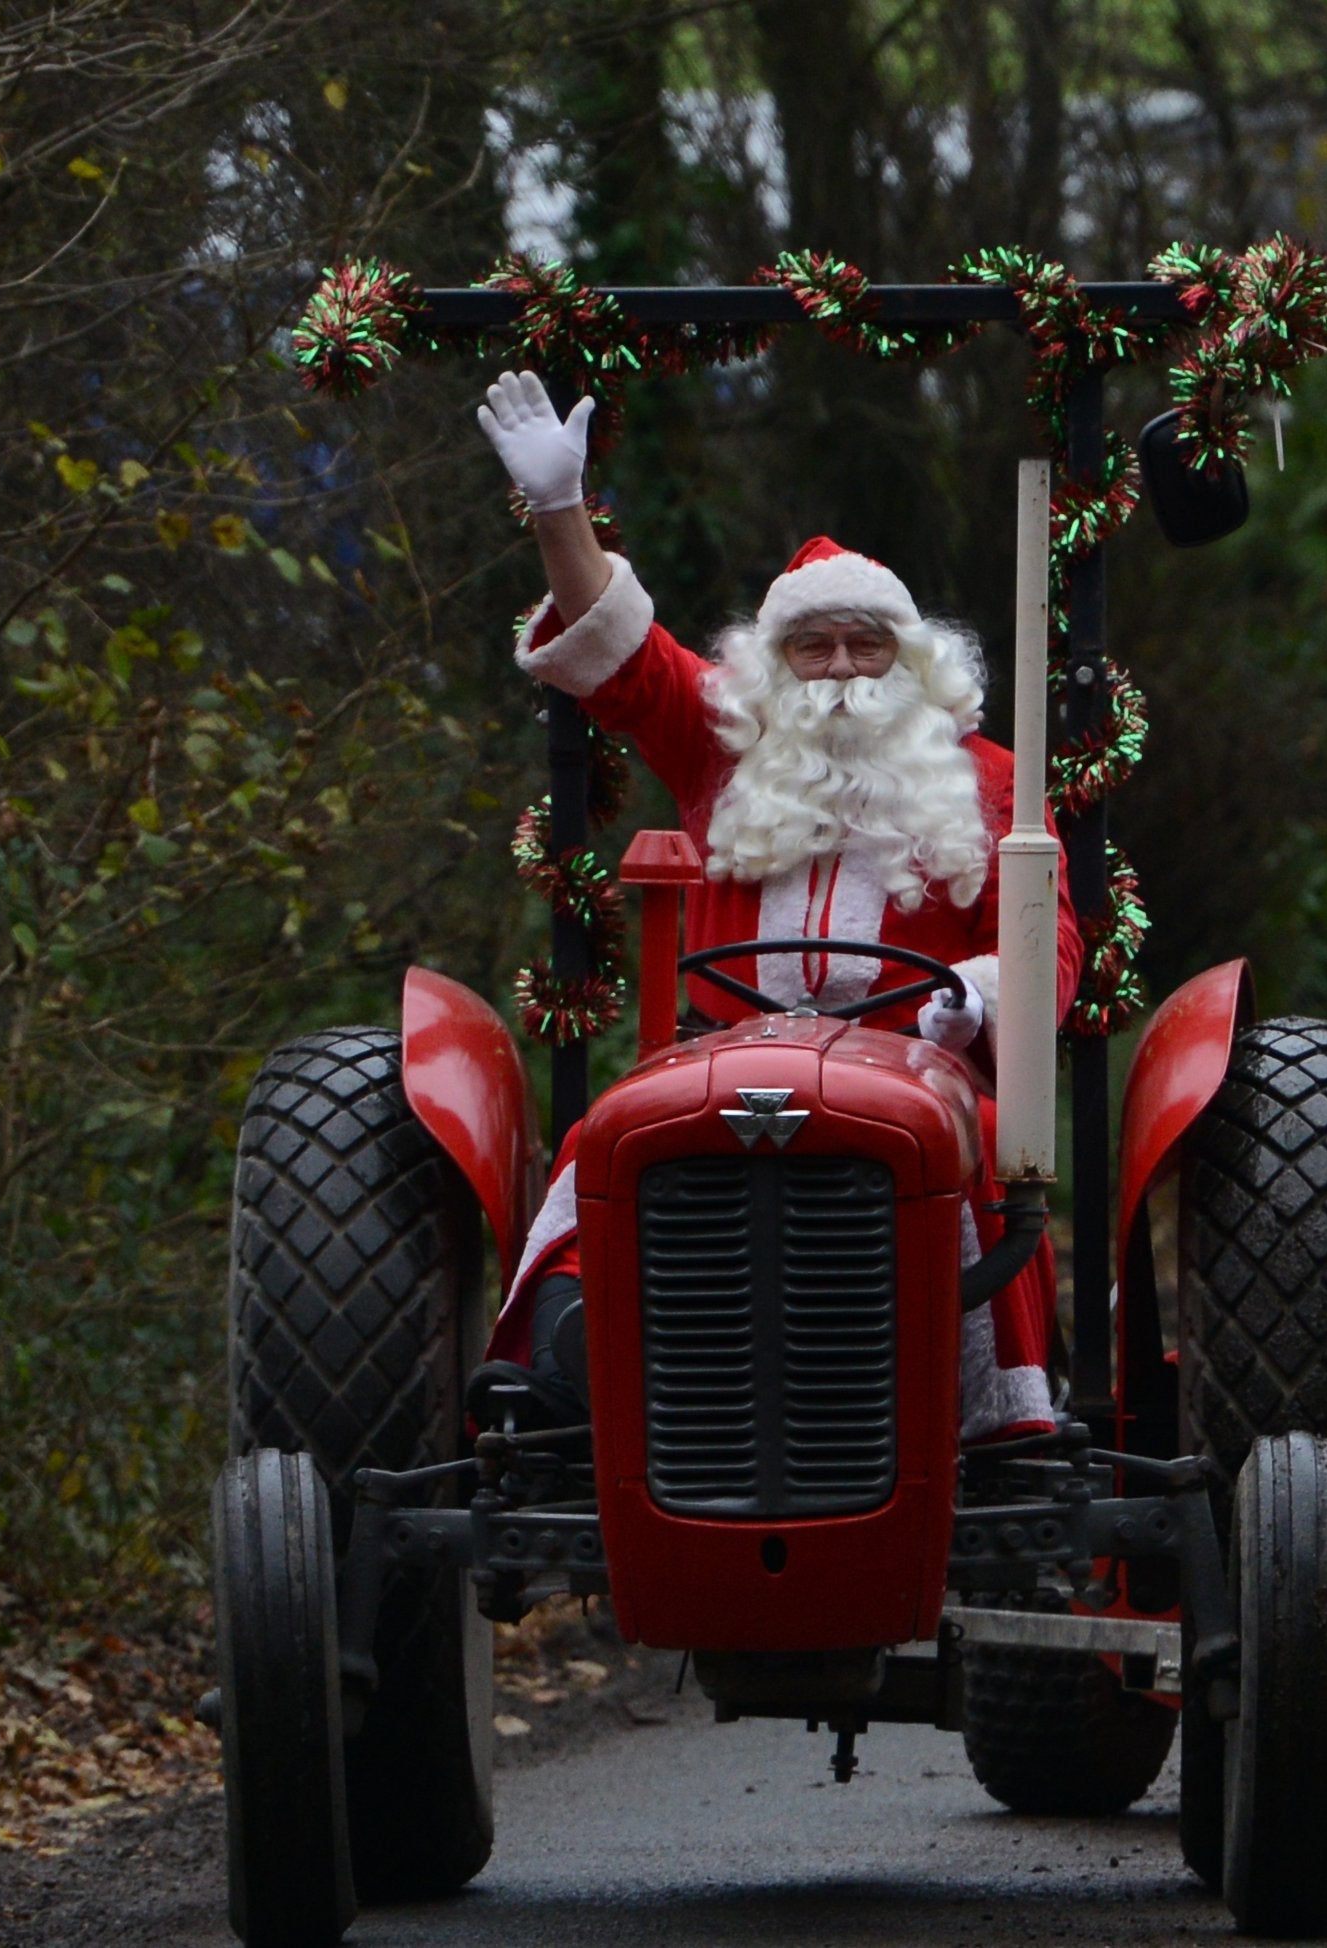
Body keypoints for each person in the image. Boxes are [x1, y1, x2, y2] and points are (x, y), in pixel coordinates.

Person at [473, 370, 1079, 1441]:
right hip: (727, 1055)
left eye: (865, 643)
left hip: (915, 1068)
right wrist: (559, 513)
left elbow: (1048, 940)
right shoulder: (722, 753)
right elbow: (617, 649)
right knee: (602, 1144)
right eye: (813, 645)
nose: (840, 667)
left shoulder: (988, 784)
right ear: (775, 664)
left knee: (979, 1139)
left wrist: (977, 1000)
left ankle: (987, 1421)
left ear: (910, 662)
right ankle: (572, 1372)